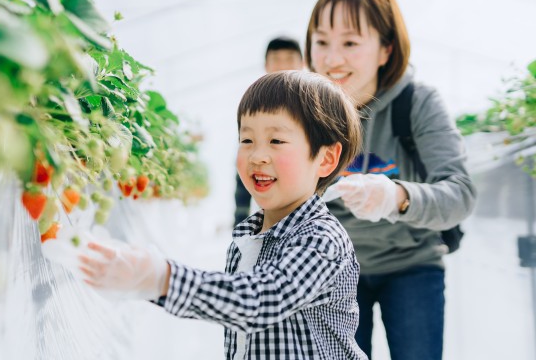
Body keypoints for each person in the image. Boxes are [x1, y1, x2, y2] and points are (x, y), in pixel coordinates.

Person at [80, 70, 367, 359]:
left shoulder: (322, 239)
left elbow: (260, 300)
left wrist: (162, 278)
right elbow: (239, 330)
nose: (257, 156)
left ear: (326, 159)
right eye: (247, 140)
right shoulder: (247, 240)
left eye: (276, 141)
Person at [304, 0, 476, 360]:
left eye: (350, 43)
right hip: (334, 273)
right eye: (321, 42)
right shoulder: (302, 111)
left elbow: (461, 193)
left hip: (412, 266)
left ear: (385, 49)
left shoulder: (417, 102)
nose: (332, 59)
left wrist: (397, 197)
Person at [234, 36, 304, 226]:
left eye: (289, 58)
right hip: (271, 216)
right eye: (276, 59)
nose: (282, 65)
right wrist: (240, 221)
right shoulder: (255, 108)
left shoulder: (312, 107)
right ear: (266, 65)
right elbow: (244, 167)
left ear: (302, 63)